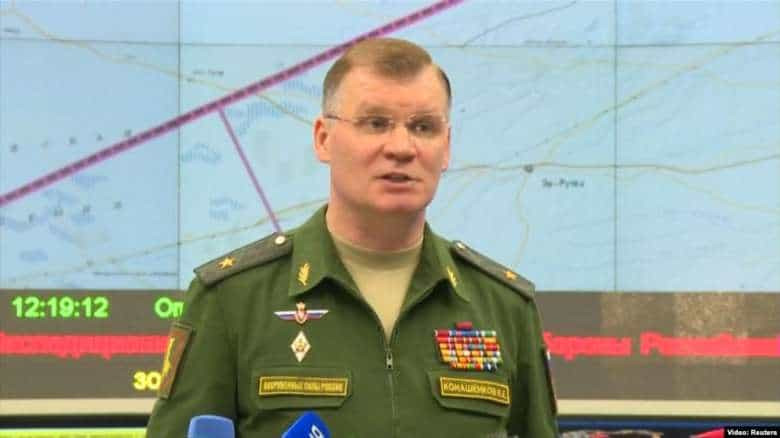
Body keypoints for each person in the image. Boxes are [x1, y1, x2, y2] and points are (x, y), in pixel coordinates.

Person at [146, 37, 559, 437]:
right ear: (323, 138)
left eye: (423, 127)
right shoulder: (232, 300)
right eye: (375, 124)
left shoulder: (505, 308)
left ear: (446, 146)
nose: (402, 147)